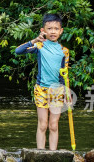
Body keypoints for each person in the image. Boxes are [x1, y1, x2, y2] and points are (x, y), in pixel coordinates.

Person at [14, 14, 71, 150]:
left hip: (57, 91)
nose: (52, 31)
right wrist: (34, 40)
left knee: (53, 125)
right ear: (43, 30)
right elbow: (18, 51)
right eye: (49, 28)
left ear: (61, 31)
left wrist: (67, 94)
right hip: (41, 89)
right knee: (43, 124)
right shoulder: (39, 46)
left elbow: (64, 74)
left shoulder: (64, 51)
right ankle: (40, 153)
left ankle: (53, 153)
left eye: (56, 29)